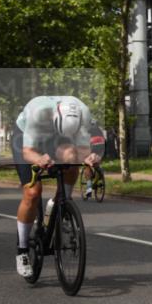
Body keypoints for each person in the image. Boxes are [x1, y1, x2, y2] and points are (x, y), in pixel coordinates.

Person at [12, 96, 100, 278]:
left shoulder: (83, 113)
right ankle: (22, 251)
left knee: (72, 157)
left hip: (59, 138)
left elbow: (84, 149)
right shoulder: (38, 113)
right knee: (33, 192)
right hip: (26, 138)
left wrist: (89, 158)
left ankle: (62, 202)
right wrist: (39, 159)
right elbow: (28, 152)